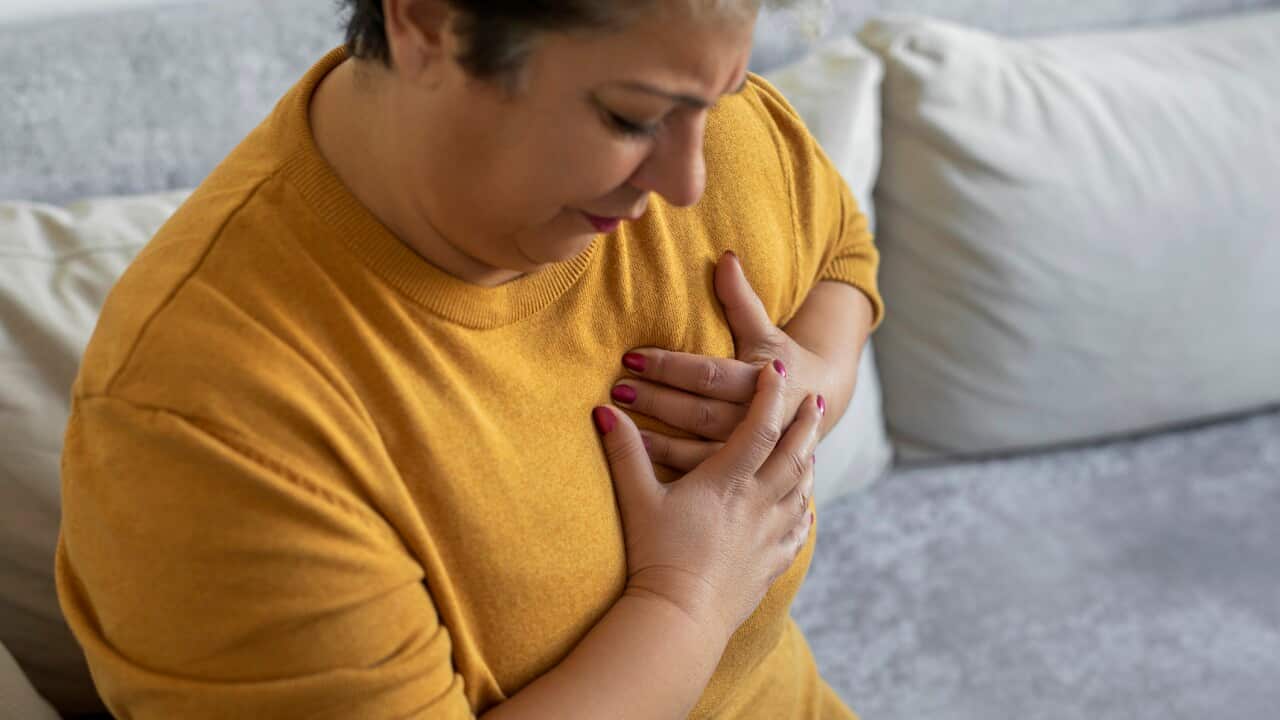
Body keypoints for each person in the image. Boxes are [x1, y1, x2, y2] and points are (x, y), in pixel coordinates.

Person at [55, 0, 882, 717]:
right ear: (424, 21)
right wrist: (690, 600)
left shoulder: (694, 101)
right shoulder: (199, 426)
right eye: (630, 119)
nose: (687, 181)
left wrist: (815, 381)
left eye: (719, 98)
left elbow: (840, 251)